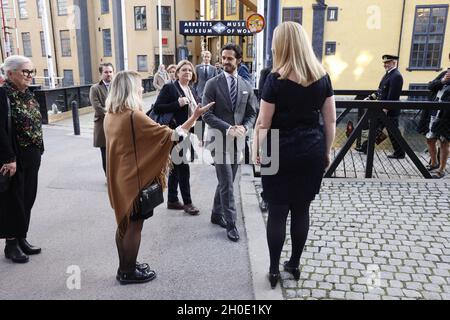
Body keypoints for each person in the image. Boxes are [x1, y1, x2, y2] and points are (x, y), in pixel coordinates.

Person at [104, 71, 213, 284]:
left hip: (120, 177)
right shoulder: (133, 116)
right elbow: (171, 135)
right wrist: (195, 117)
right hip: (134, 178)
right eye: (138, 86)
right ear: (129, 90)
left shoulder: (111, 114)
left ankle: (125, 266)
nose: (142, 89)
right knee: (135, 225)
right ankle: (128, 272)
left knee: (124, 224)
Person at [252, 22, 336, 289]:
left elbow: (263, 123)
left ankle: (274, 269)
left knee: (277, 211)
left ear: (281, 44)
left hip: (277, 149)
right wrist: (326, 151)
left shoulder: (274, 80)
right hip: (310, 148)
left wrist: (255, 150)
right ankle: (295, 264)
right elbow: (331, 120)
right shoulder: (322, 76)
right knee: (301, 209)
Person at [203, 43, 257, 242]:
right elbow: (206, 114)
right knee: (227, 183)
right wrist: (228, 128)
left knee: (227, 181)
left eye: (230, 58)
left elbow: (252, 112)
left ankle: (216, 214)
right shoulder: (212, 84)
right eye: (223, 58)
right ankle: (231, 223)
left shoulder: (245, 85)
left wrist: (245, 127)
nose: (225, 61)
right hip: (218, 140)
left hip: (238, 143)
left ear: (239, 61)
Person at [0, 55, 44, 263]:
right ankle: (11, 245)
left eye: (31, 71)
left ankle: (21, 237)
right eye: (25, 72)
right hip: (14, 158)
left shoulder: (27, 94)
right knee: (13, 201)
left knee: (28, 198)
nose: (29, 76)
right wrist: (8, 158)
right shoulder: (2, 95)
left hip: (32, 155)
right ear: (10, 74)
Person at [153, 60, 201, 215]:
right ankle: (188, 203)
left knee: (175, 167)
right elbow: (157, 107)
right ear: (177, 73)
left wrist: (199, 135)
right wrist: (177, 103)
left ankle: (172, 199)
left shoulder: (192, 90)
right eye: (184, 70)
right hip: (174, 133)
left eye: (190, 70)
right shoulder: (170, 88)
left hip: (187, 133)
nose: (187, 72)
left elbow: (196, 115)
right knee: (183, 167)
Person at [355, 54, 405, 159]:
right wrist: (370, 98)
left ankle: (400, 153)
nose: (385, 64)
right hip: (382, 109)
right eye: (385, 63)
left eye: (388, 62)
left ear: (394, 63)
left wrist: (386, 109)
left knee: (393, 133)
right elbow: (380, 91)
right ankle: (366, 148)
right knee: (375, 128)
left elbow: (393, 96)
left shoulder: (396, 76)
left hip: (389, 110)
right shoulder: (387, 75)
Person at [425, 67, 450, 179]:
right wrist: (443, 81)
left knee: (444, 141)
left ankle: (442, 169)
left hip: (447, 115)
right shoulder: (444, 73)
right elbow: (430, 86)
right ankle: (434, 163)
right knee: (430, 139)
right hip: (435, 112)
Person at [90, 63, 114, 176]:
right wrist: (113, 116)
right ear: (101, 74)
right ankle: (108, 177)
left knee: (116, 152)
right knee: (105, 152)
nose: (108, 74)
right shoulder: (95, 88)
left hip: (117, 125)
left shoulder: (117, 86)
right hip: (102, 124)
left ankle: (116, 176)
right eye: (106, 72)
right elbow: (97, 107)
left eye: (110, 72)